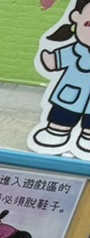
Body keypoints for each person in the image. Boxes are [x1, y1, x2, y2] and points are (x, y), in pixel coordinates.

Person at [33, 0, 90, 156]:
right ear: (76, 17)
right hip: (70, 97)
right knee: (63, 114)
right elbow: (56, 61)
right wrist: (49, 59)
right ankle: (56, 132)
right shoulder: (75, 50)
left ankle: (87, 137)